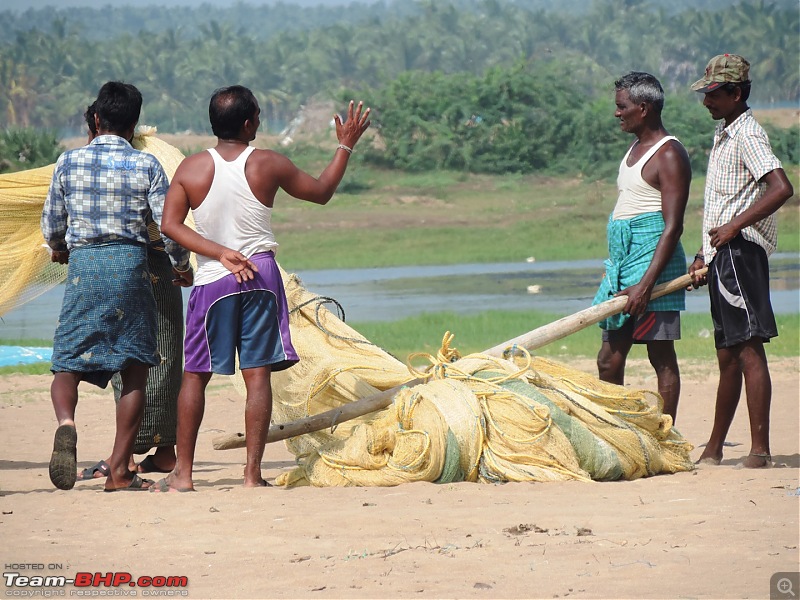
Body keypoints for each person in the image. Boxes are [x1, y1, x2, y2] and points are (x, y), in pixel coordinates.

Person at [153, 85, 371, 491]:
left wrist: (218, 253)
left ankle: (183, 475)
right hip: (260, 280)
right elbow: (321, 193)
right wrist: (345, 146)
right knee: (257, 377)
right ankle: (252, 475)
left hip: (212, 284)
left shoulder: (192, 169)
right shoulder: (268, 163)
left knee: (195, 376)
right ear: (250, 122)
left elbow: (171, 225)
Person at [41, 81, 192, 491]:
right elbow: (168, 229)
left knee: (68, 361)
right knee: (135, 367)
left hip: (85, 266)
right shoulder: (147, 167)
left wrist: (61, 249)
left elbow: (52, 225)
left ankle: (67, 423)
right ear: (135, 125)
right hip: (130, 265)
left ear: (95, 119)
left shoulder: (67, 163)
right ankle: (121, 470)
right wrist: (181, 267)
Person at [688, 54, 794, 468]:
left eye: (713, 94)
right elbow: (720, 202)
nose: (706, 101)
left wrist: (732, 229)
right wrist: (703, 252)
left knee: (748, 348)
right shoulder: (725, 132)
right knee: (727, 352)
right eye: (705, 93)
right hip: (721, 253)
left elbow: (781, 188)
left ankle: (760, 451)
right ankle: (714, 448)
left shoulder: (748, 134)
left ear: (736, 93)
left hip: (740, 252)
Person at [592, 72, 692, 424]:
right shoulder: (634, 148)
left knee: (661, 356)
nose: (617, 113)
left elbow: (672, 227)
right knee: (609, 359)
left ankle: (664, 436)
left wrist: (647, 285)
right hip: (624, 266)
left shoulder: (669, 154)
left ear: (643, 108)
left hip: (654, 270)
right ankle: (618, 433)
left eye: (622, 107)